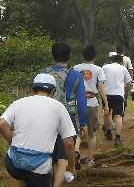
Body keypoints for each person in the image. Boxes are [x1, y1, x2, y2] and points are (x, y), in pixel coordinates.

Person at [0, 73, 77, 187]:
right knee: (39, 176)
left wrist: (12, 141)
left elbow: (0, 124)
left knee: (24, 176)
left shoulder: (19, 102)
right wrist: (72, 168)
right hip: (39, 169)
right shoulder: (58, 107)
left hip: (12, 164)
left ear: (32, 89)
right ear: (53, 91)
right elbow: (68, 143)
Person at [44, 42, 88, 176]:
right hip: (68, 114)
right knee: (67, 145)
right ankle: (69, 169)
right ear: (69, 56)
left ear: (53, 55)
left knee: (49, 144)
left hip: (46, 114)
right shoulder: (76, 75)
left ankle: (49, 172)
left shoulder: (44, 73)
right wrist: (83, 123)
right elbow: (81, 101)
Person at [72, 45, 108, 168]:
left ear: (83, 56)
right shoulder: (98, 69)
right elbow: (102, 87)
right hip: (92, 101)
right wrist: (106, 104)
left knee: (77, 130)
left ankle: (76, 151)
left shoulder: (75, 68)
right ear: (95, 56)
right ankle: (91, 159)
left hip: (77, 102)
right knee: (91, 133)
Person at [101, 51, 132, 148]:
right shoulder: (123, 68)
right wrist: (126, 94)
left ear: (112, 60)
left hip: (106, 94)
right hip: (118, 94)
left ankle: (108, 131)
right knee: (118, 116)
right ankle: (118, 137)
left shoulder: (105, 67)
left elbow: (100, 81)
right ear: (121, 62)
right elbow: (128, 84)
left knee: (107, 113)